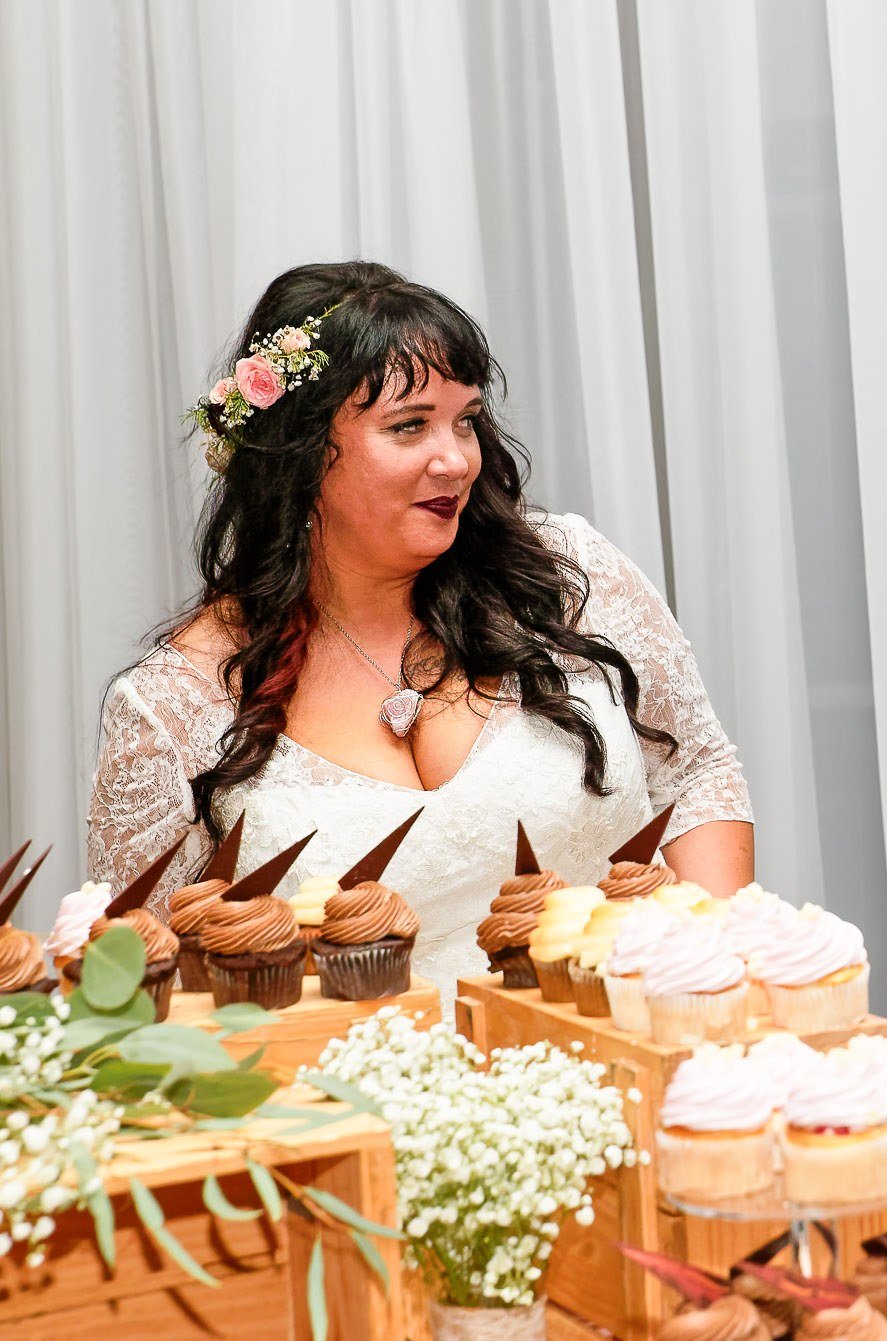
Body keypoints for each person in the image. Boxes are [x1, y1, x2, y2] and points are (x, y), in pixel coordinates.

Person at [86, 261, 753, 996]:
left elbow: (695, 775)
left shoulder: (567, 578)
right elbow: (140, 976)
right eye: (409, 427)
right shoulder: (174, 705)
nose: (457, 459)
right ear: (300, 455)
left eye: (466, 420)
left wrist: (709, 975)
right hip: (350, 1100)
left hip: (624, 1054)